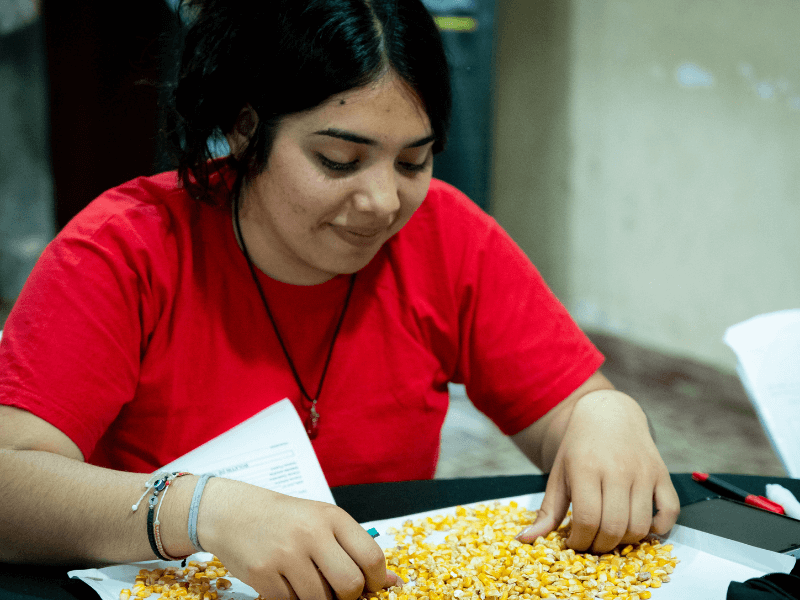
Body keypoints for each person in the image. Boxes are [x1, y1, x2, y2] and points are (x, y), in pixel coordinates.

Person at [0, 1, 680, 599]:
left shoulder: (443, 235)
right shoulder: (124, 250)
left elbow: (572, 410)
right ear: (244, 129)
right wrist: (204, 510)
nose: (384, 202)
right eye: (339, 160)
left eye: (414, 161)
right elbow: (9, 482)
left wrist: (605, 415)